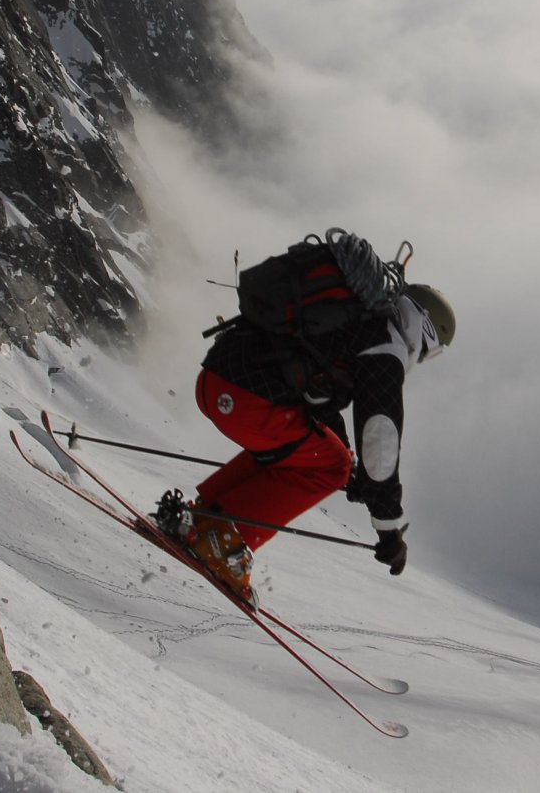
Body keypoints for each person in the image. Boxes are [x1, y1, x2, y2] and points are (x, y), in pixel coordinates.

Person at [158, 238, 455, 605]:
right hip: (246, 401)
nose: (422, 359)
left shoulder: (352, 321)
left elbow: (316, 402)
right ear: (425, 331)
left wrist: (350, 465)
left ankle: (197, 521)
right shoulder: (385, 345)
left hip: (216, 381)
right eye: (430, 353)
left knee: (321, 456)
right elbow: (381, 436)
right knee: (330, 466)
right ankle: (219, 543)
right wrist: (388, 528)